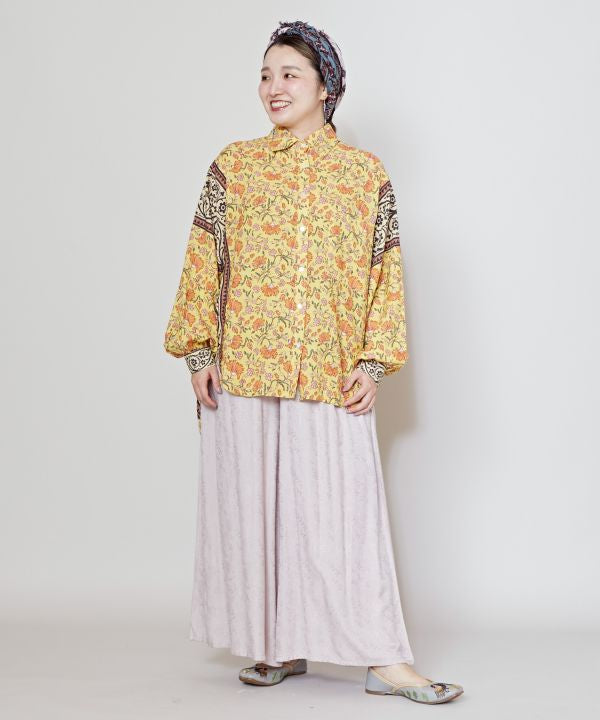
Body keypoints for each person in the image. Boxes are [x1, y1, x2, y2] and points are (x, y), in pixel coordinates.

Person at [163, 18, 464, 705]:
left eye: (290, 74)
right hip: (243, 367)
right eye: (266, 75)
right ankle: (278, 643)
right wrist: (198, 349)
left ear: (325, 86)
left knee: (343, 517)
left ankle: (385, 659)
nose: (274, 87)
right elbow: (203, 258)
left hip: (328, 370)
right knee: (253, 513)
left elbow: (385, 274)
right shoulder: (234, 165)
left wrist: (374, 362)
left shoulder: (364, 175)